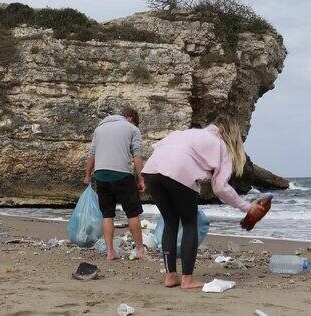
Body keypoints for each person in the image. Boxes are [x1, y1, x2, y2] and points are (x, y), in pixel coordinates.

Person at [142, 116, 271, 289]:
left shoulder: (187, 133)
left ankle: (170, 276)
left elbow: (157, 148)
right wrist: (248, 207)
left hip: (151, 171)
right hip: (178, 171)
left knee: (170, 221)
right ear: (228, 132)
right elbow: (220, 188)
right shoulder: (220, 145)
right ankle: (187, 280)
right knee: (189, 223)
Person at [83, 107, 146, 261]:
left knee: (107, 214)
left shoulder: (100, 128)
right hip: (121, 175)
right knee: (132, 212)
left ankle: (110, 252)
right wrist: (141, 179)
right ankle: (139, 250)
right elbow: (137, 156)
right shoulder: (132, 129)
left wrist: (87, 175)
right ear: (131, 118)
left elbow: (92, 154)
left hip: (101, 175)